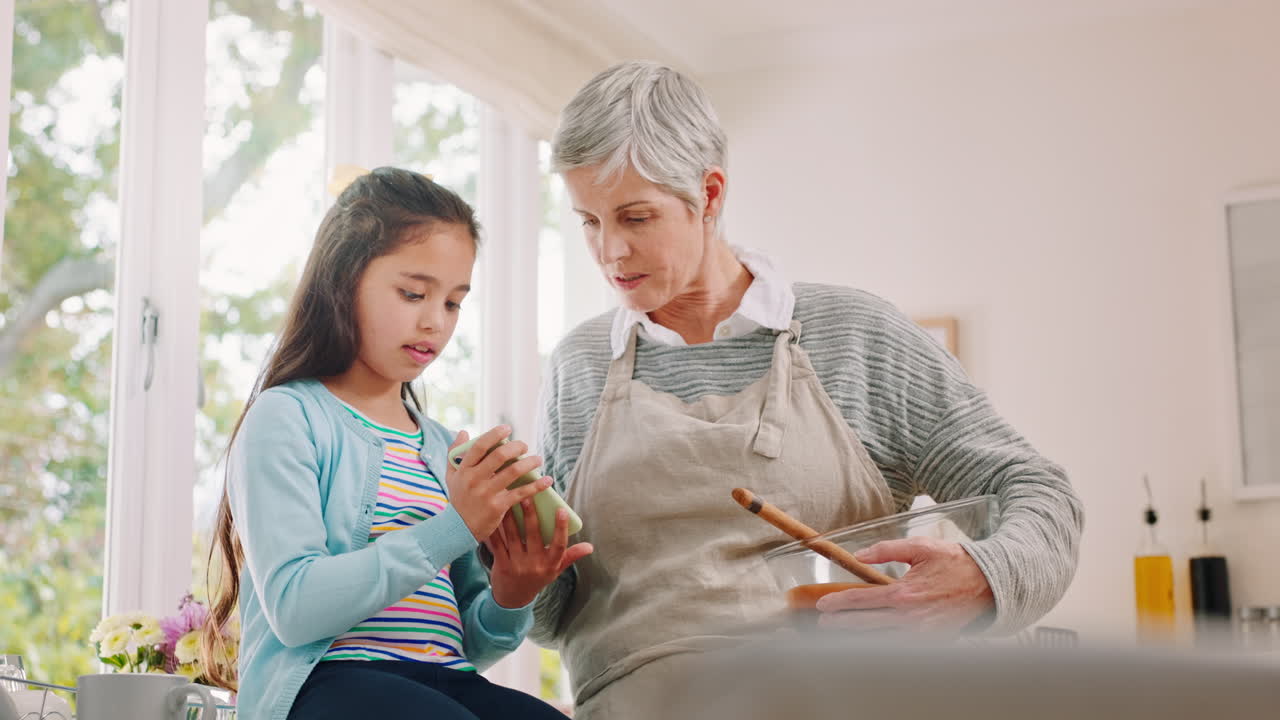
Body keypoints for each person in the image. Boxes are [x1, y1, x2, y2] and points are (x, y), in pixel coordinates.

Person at [529, 61, 1085, 718]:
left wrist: (983, 580)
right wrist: (509, 573)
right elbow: (550, 614)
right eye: (589, 221)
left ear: (709, 196)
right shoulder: (580, 367)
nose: (611, 252)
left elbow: (1039, 494)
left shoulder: (855, 336)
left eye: (636, 217)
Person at [199, 167, 591, 720]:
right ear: (343, 279)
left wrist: (511, 593)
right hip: (326, 684)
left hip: (437, 682)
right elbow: (295, 607)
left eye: (454, 303)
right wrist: (456, 525)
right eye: (413, 293)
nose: (435, 322)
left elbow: (466, 649)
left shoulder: (438, 446)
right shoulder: (287, 416)